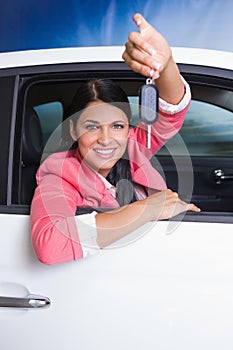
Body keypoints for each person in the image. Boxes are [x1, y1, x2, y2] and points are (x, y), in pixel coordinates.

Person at [30, 13, 200, 265]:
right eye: (92, 127)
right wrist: (149, 208)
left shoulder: (133, 147)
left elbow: (171, 110)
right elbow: (51, 245)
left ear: (127, 129)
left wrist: (166, 65)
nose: (106, 139)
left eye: (117, 126)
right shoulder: (59, 176)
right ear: (74, 130)